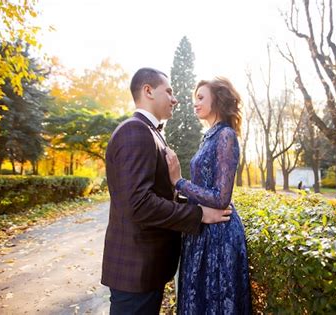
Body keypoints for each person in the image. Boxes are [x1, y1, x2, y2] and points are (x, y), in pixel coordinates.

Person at [101, 68, 232, 315]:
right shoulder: (135, 131)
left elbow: (160, 195)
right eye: (169, 91)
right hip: (135, 270)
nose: (176, 99)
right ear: (148, 91)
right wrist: (198, 214)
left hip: (148, 269)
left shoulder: (152, 133)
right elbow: (139, 203)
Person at [165, 77, 252, 314]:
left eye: (201, 97)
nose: (195, 103)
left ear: (218, 99)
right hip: (202, 230)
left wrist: (179, 182)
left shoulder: (225, 135)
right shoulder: (209, 136)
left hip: (219, 235)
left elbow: (221, 197)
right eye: (195, 98)